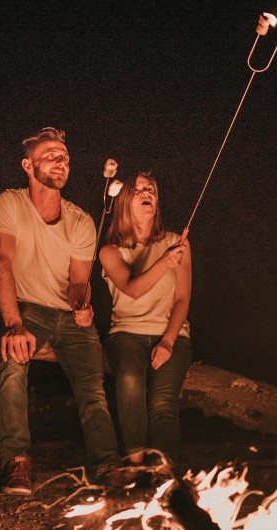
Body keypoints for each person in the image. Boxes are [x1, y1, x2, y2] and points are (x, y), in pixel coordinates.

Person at [0, 126, 120, 496]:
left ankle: (108, 467)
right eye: (51, 155)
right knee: (12, 365)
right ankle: (16, 462)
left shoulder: (81, 221)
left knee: (93, 389)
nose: (61, 162)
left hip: (67, 317)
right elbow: (1, 263)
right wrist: (13, 323)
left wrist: (83, 304)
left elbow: (79, 281)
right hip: (29, 310)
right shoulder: (10, 203)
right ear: (28, 165)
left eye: (65, 157)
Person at [99, 171, 192, 482]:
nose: (146, 190)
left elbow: (182, 300)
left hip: (172, 334)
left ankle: (164, 470)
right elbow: (133, 288)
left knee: (163, 399)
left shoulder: (176, 242)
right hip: (126, 333)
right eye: (138, 188)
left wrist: (167, 342)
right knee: (129, 380)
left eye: (150, 187)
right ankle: (135, 464)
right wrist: (165, 262)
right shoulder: (110, 251)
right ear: (126, 201)